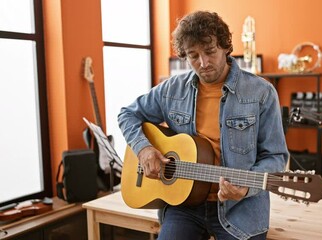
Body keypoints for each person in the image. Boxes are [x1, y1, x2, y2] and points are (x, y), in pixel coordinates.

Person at [118, 11, 288, 240]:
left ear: (225, 47)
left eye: (210, 52)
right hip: (184, 205)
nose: (203, 63)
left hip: (240, 210)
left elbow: (275, 157)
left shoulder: (261, 92)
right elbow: (127, 114)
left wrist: (246, 188)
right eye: (193, 55)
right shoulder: (171, 90)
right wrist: (144, 148)